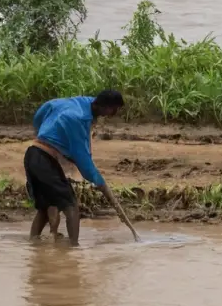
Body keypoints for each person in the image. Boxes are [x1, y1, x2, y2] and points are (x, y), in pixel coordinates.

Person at [24, 89, 138, 244]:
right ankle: (73, 249)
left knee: (44, 208)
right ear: (105, 106)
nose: (114, 114)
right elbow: (83, 159)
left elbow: (45, 109)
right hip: (44, 160)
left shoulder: (79, 102)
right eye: (114, 109)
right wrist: (100, 183)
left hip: (32, 154)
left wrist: (42, 130)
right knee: (71, 205)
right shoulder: (78, 119)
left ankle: (33, 243)